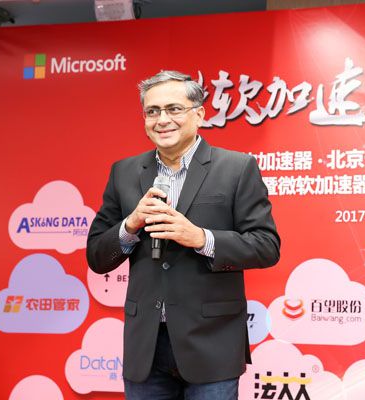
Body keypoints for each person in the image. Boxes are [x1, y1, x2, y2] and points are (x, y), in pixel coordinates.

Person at [86, 70, 280, 400]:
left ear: (199, 114)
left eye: (174, 109)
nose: (162, 120)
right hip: (146, 347)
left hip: (211, 343)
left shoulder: (237, 168)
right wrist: (130, 224)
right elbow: (97, 257)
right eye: (152, 111)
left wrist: (202, 238)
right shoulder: (124, 172)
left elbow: (266, 246)